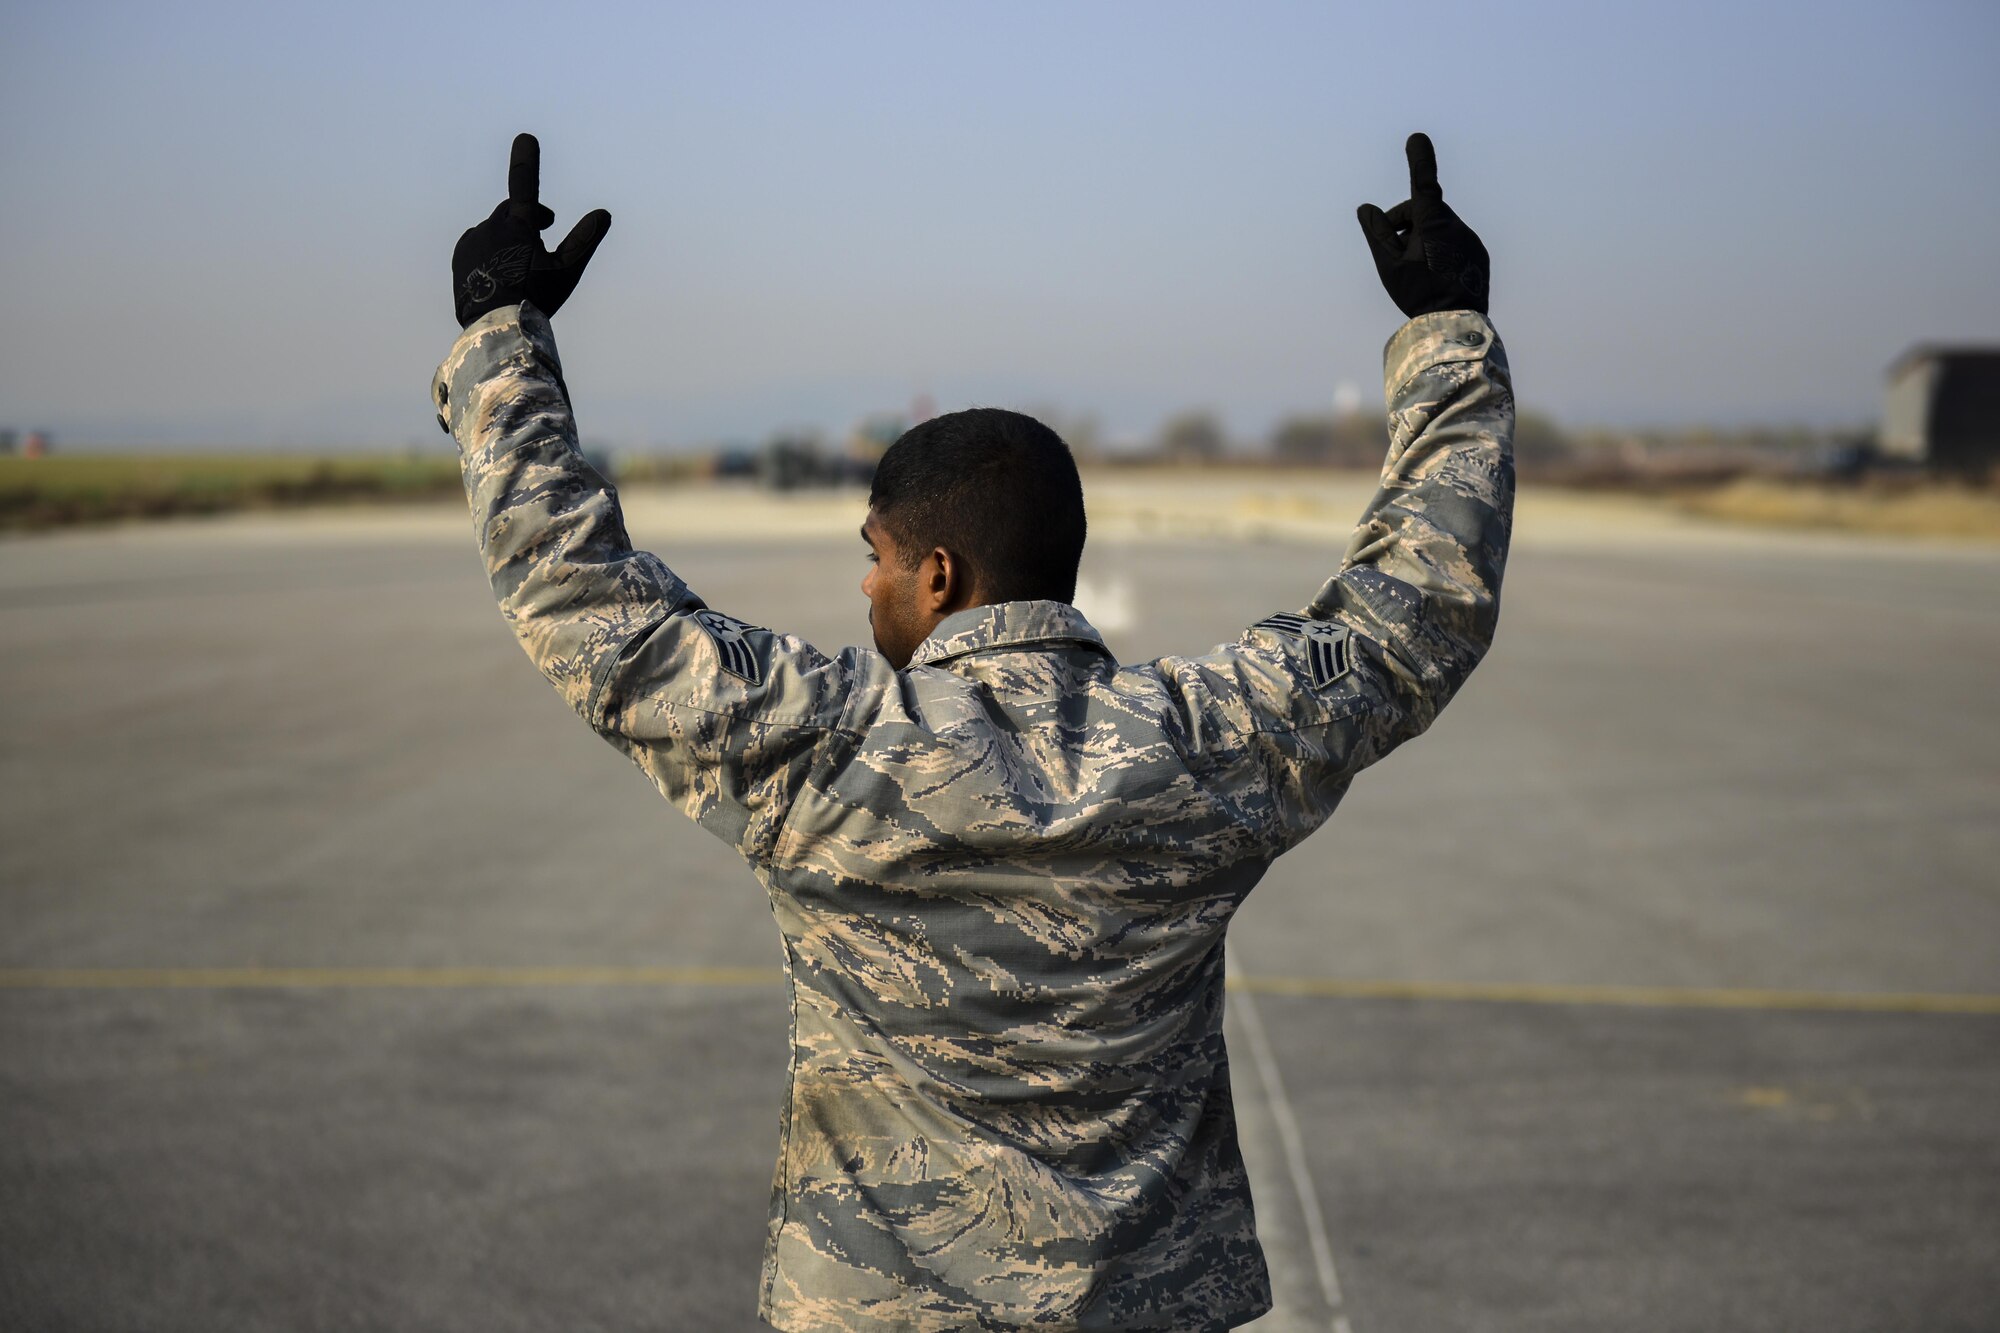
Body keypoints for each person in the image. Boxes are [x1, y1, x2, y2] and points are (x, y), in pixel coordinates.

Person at [434, 130, 1512, 1333]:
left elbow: (586, 601)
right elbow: (1412, 614)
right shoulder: (1199, 742)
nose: (866, 590)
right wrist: (1445, 333)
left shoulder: (827, 748)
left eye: (875, 561)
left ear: (936, 574)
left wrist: (500, 337)